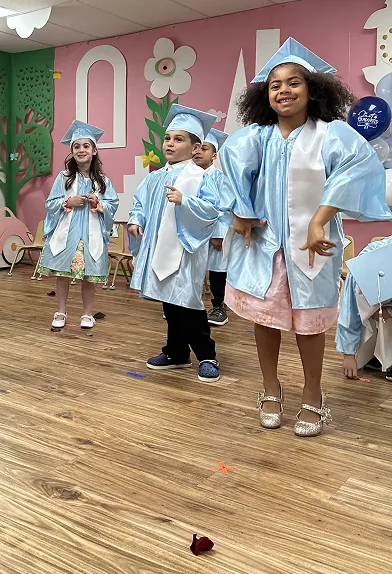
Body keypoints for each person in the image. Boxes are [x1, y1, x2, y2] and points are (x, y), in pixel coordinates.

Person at [220, 38, 391, 436]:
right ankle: (269, 387)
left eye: (294, 82)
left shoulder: (332, 135)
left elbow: (357, 169)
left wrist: (321, 217)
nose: (283, 90)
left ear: (313, 90)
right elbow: (227, 172)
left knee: (309, 325)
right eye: (275, 84)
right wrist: (239, 211)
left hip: (312, 247)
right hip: (263, 246)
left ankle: (313, 394)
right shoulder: (256, 138)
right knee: (265, 319)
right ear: (266, 94)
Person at [128, 106, 222, 382]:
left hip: (185, 249)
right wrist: (136, 220)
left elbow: (212, 209)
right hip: (159, 248)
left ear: (195, 147)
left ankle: (207, 355)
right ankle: (176, 352)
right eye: (168, 138)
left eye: (179, 139)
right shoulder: (154, 177)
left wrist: (186, 201)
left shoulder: (201, 177)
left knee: (189, 302)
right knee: (169, 302)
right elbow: (140, 203)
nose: (170, 143)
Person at [37, 120, 119, 331]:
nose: (81, 150)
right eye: (76, 146)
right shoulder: (64, 178)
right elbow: (50, 203)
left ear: (94, 150)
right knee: (63, 273)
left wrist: (98, 203)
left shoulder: (102, 181)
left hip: (90, 235)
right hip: (68, 233)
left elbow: (113, 203)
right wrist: (67, 202)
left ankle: (87, 313)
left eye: (85, 146)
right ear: (72, 151)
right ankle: (61, 310)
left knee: (88, 276)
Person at [336, 236, 392, 380]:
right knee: (362, 296)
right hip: (376, 323)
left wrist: (390, 312)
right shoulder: (372, 253)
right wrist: (349, 354)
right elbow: (350, 306)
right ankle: (376, 354)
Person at [193, 128, 230, 327]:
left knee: (216, 269)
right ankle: (189, 304)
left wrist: (219, 234)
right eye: (195, 148)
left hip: (213, 233)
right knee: (192, 269)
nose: (198, 152)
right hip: (192, 233)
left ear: (214, 155)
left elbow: (224, 207)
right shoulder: (186, 176)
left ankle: (218, 306)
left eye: (204, 148)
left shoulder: (220, 179)